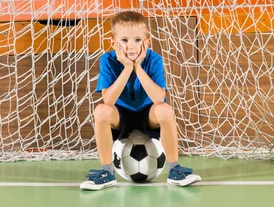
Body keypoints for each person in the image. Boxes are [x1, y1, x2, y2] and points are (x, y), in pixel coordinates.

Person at [80, 11, 201, 190]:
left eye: (137, 40)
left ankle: (175, 169)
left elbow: (159, 98)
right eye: (124, 40)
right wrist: (127, 67)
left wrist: (138, 67)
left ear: (147, 42)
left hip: (147, 115)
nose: (131, 46)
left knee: (165, 110)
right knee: (101, 111)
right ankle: (107, 172)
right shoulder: (108, 60)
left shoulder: (153, 59)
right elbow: (108, 100)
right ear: (113, 43)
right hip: (120, 117)